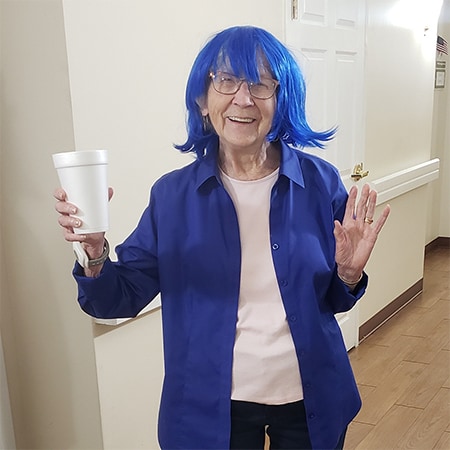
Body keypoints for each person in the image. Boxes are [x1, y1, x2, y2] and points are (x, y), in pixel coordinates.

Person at [54, 26, 390, 450]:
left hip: (311, 397)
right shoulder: (172, 197)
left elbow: (334, 302)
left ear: (281, 99)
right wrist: (94, 254)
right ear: (202, 98)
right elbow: (115, 300)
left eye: (262, 83)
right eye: (227, 80)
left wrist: (347, 275)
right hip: (209, 407)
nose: (244, 98)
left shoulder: (320, 183)